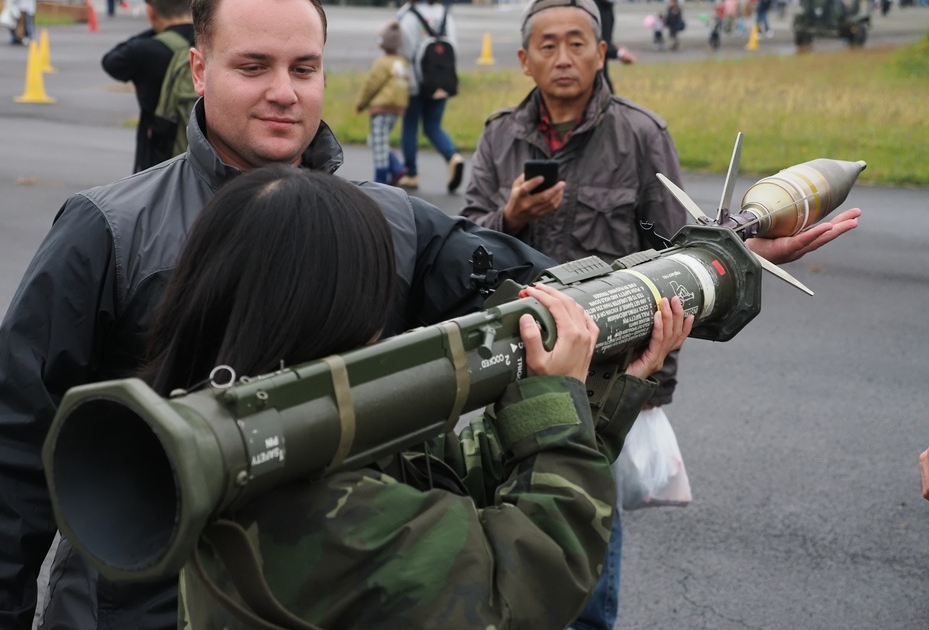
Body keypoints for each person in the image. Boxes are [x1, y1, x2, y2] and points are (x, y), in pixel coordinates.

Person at [0, 0, 555, 630]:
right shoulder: (110, 232)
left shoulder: (394, 223)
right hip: (137, 609)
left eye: (303, 68)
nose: (284, 93)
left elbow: (532, 295)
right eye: (253, 66)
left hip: (334, 600)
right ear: (200, 71)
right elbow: (8, 455)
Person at [460, 0, 862, 630]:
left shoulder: (641, 134)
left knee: (585, 538)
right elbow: (463, 248)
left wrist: (650, 387)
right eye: (547, 45)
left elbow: (682, 254)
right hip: (515, 365)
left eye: (577, 42)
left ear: (600, 53)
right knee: (497, 520)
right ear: (524, 60)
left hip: (609, 380)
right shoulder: (499, 137)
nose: (563, 57)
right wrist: (509, 216)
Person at [142, 163, 690, 629]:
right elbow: (531, 579)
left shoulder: (253, 437)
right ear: (328, 309)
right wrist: (557, 401)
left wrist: (600, 390)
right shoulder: (338, 524)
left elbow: (444, 473)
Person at [101, 0, 195, 172]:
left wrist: (156, 29)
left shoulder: (144, 50)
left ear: (151, 11)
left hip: (159, 164)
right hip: (207, 159)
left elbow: (110, 61)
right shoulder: (210, 41)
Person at [395, 0, 464, 193]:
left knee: (411, 125)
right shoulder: (444, 13)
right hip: (441, 80)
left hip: (416, 83)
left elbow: (404, 50)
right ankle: (452, 156)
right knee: (433, 125)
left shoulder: (410, 16)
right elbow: (453, 44)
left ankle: (412, 173)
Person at [354, 18, 408, 184]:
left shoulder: (381, 63)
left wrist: (360, 104)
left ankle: (380, 179)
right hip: (397, 109)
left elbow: (371, 85)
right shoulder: (402, 62)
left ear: (382, 43)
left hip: (382, 108)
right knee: (378, 140)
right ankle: (396, 167)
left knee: (378, 145)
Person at [587, 0, 635, 94]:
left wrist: (615, 48)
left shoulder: (607, 5)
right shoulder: (589, 5)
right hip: (587, 71)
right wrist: (618, 54)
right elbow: (592, 42)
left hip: (601, 68)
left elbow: (605, 39)